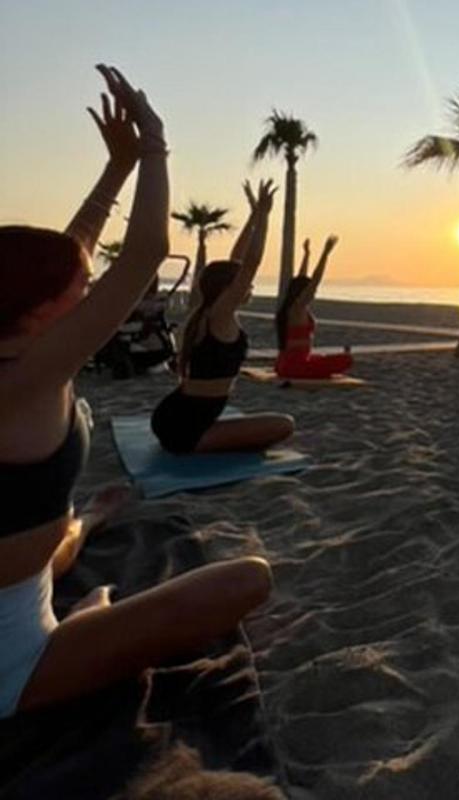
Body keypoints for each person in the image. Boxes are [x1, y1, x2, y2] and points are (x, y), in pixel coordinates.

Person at [0, 65, 272, 719]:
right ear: (41, 311)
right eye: (80, 287)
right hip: (12, 662)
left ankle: (90, 522)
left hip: (20, 582)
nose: (89, 287)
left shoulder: (23, 349)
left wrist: (117, 170)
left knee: (65, 540)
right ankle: (83, 629)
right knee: (248, 580)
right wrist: (153, 144)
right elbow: (146, 249)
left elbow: (71, 254)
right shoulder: (26, 376)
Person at [150, 180, 294, 453]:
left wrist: (253, 215)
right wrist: (264, 217)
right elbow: (249, 264)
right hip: (187, 425)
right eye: (243, 284)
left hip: (175, 414)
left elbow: (237, 260)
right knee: (284, 425)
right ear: (228, 288)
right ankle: (196, 443)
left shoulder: (204, 309)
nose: (249, 286)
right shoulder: (219, 316)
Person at [274, 235, 353, 379]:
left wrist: (307, 254)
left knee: (321, 357)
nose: (313, 293)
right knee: (346, 360)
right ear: (302, 293)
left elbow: (300, 278)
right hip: (295, 366)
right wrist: (325, 254)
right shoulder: (297, 308)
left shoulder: (293, 308)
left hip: (286, 363)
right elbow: (314, 281)